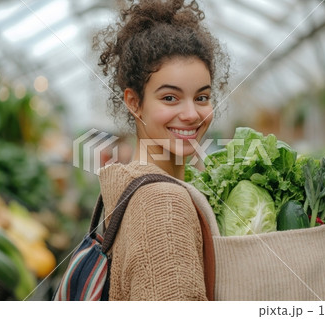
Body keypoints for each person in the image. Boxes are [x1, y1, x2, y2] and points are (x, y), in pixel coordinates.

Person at [93, 0, 229, 300]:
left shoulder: (130, 184)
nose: (192, 114)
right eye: (170, 98)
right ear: (134, 102)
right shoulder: (164, 205)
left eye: (202, 97)